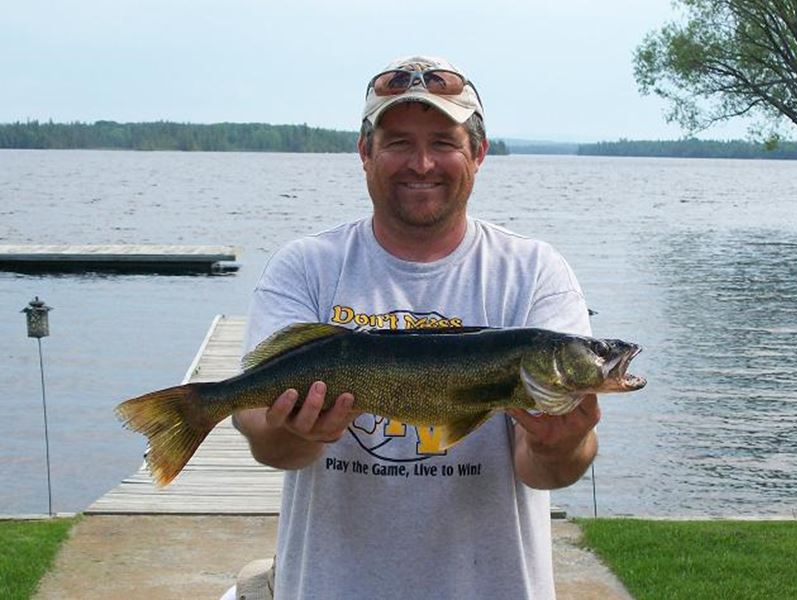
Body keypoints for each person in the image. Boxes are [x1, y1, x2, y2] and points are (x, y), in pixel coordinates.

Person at [230, 55, 600, 599]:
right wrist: (289, 430)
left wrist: (560, 447)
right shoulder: (305, 267)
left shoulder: (534, 272)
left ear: (478, 153)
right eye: (399, 142)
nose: (422, 164)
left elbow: (543, 470)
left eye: (444, 143)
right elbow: (267, 440)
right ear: (365, 153)